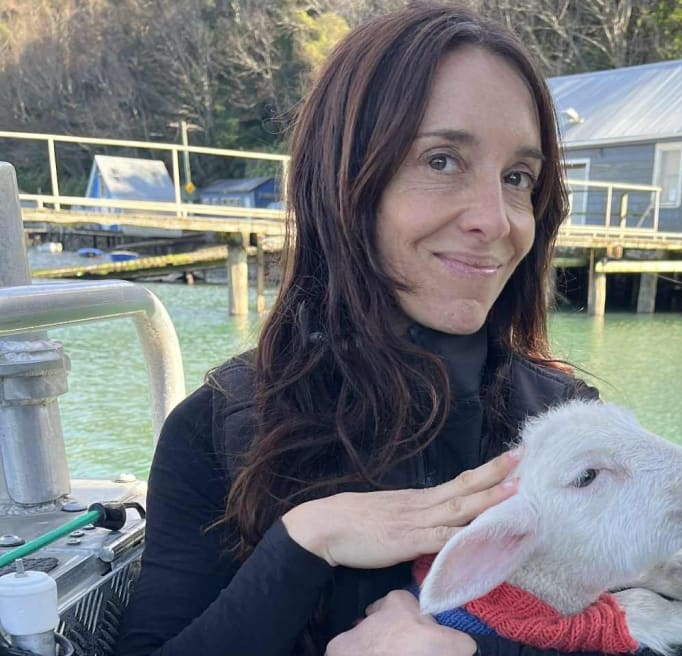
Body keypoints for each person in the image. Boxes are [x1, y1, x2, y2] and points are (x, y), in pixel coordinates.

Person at [116, 4, 616, 656]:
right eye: (442, 161)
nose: (496, 220)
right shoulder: (216, 430)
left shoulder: (568, 424)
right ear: (343, 180)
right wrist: (305, 542)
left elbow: (632, 625)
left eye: (518, 177)